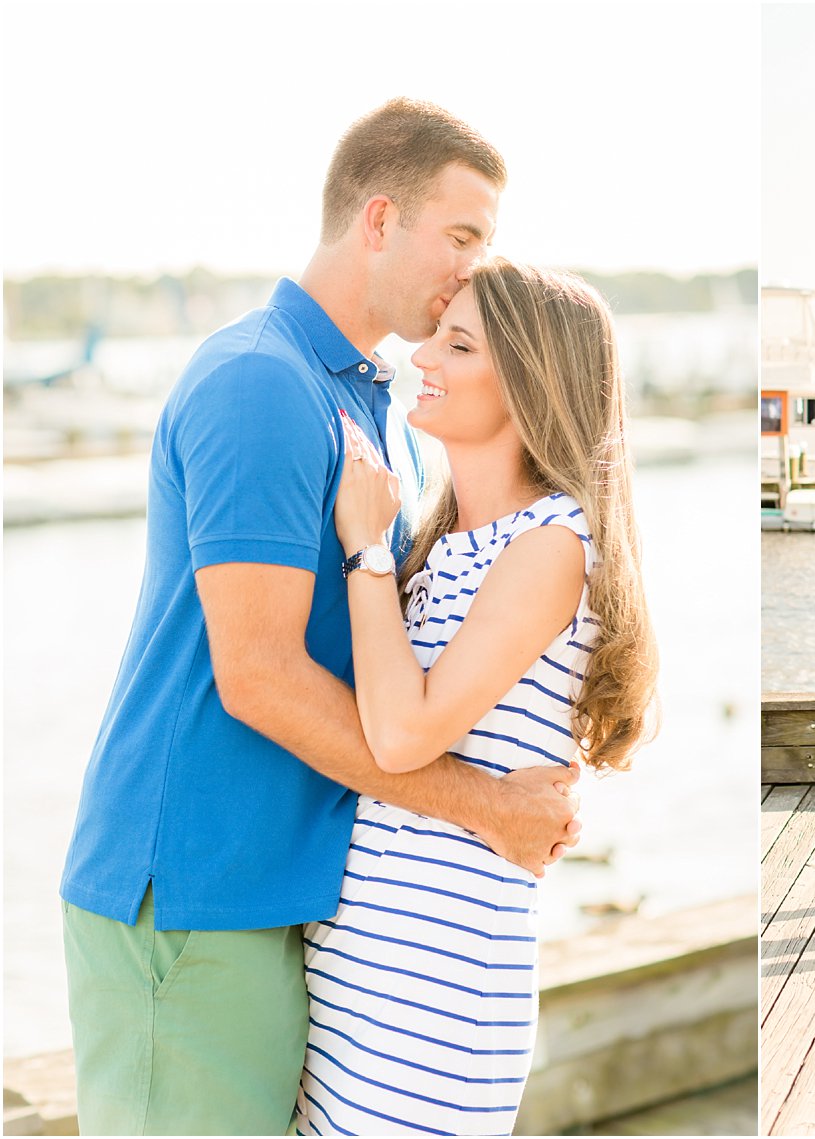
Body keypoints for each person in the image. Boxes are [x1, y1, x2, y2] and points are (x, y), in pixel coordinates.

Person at [59, 99, 581, 1136]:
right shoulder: (262, 382)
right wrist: (483, 805)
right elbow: (254, 672)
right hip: (189, 897)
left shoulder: (370, 403)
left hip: (272, 896)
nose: (474, 267)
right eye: (463, 236)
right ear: (379, 221)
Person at [294, 258, 657, 1135]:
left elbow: (403, 731)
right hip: (359, 973)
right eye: (436, 333)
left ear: (530, 383)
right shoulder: (441, 540)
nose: (423, 355)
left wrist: (363, 544)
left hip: (436, 992)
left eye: (458, 344)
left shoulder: (551, 542)